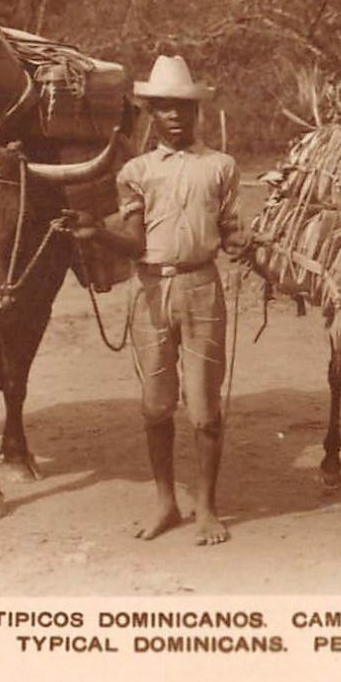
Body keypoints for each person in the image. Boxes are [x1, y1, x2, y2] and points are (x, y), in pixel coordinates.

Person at [70, 55, 244, 545]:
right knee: (154, 406)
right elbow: (133, 240)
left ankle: (207, 508)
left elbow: (231, 232)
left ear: (196, 112)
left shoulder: (221, 167)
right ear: (150, 113)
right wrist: (95, 235)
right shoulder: (136, 172)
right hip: (150, 292)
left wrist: (247, 243)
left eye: (182, 107)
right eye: (164, 107)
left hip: (202, 288)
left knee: (206, 410)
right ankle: (166, 502)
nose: (174, 116)